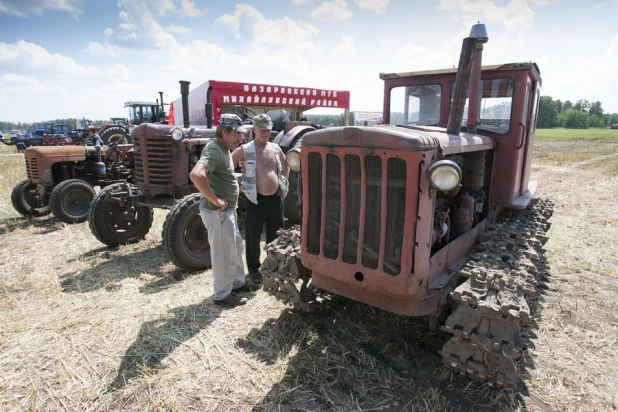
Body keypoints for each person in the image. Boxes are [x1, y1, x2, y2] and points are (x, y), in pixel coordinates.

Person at [190, 114, 258, 307]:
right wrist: (216, 200)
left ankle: (236, 283)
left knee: (235, 247)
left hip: (227, 211)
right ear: (223, 132)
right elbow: (196, 175)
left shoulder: (226, 149)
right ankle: (222, 294)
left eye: (241, 134)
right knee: (222, 254)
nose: (240, 138)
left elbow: (222, 175)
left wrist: (236, 186)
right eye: (236, 134)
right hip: (217, 212)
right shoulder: (214, 150)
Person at [232, 114, 289, 285]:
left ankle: (274, 266)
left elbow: (286, 164)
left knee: (276, 235)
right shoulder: (245, 149)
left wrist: (283, 183)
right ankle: (254, 269)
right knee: (253, 237)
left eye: (268, 129)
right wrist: (239, 185)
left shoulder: (275, 148)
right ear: (254, 129)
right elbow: (226, 166)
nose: (265, 133)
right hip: (255, 201)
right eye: (262, 130)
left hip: (275, 200)